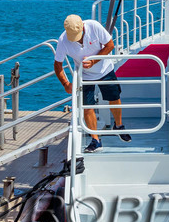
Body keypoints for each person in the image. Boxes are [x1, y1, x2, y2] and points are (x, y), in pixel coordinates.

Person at [53, 14, 131, 152]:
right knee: (87, 107)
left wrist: (94, 60)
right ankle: (95, 140)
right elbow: (58, 64)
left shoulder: (94, 26)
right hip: (84, 75)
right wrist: (66, 84)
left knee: (114, 98)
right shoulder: (63, 40)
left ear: (83, 26)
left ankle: (118, 126)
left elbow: (110, 45)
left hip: (105, 69)